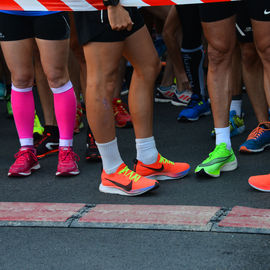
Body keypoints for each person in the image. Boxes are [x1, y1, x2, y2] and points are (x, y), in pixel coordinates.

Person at [74, 1, 190, 196]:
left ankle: (148, 158)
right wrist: (111, 4)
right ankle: (111, 171)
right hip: (103, 5)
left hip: (121, 3)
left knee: (148, 65)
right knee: (102, 79)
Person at [0, 10, 79, 176]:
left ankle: (66, 149)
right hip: (10, 7)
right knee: (20, 78)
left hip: (49, 7)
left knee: (57, 76)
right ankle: (26, 149)